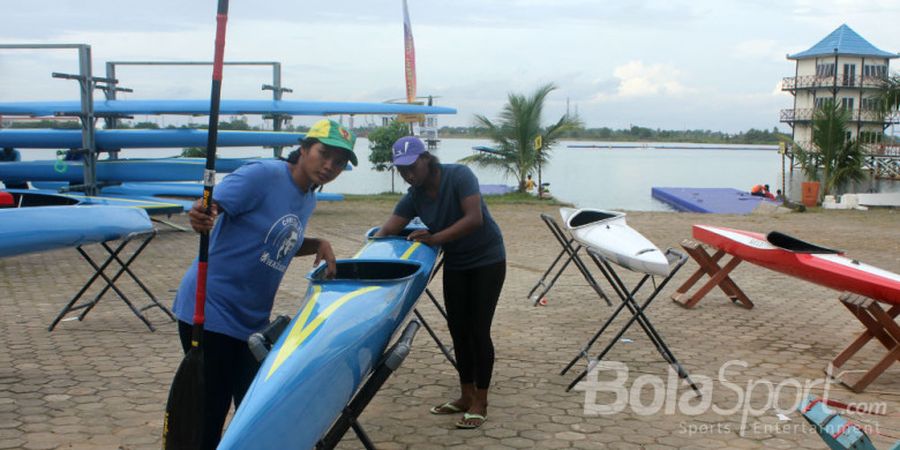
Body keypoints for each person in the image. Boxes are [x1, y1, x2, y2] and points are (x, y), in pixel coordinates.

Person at [170, 118, 357, 449]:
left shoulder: (308, 196)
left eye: (339, 162)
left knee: (256, 410)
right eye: (323, 153)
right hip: (209, 310)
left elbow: (279, 240)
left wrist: (317, 243)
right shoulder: (264, 174)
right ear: (303, 148)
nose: (329, 166)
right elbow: (210, 205)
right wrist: (202, 211)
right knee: (209, 415)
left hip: (251, 321)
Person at [375, 136, 506, 430]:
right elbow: (388, 228)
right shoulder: (414, 196)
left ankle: (481, 402)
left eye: (412, 166)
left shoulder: (459, 175)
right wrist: (367, 251)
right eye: (401, 169)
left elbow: (474, 220)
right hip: (457, 263)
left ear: (426, 159)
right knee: (457, 329)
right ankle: (465, 395)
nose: (408, 173)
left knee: (477, 330)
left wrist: (434, 239)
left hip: (488, 259)